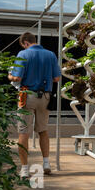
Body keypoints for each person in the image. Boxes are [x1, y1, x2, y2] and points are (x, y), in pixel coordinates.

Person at [8, 32, 61, 178]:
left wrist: (10, 76)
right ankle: (46, 163)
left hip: (27, 96)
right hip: (45, 97)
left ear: (25, 42)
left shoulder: (23, 54)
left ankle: (24, 169)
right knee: (43, 130)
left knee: (24, 132)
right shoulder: (50, 55)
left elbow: (17, 77)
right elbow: (56, 78)